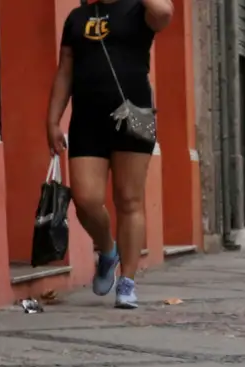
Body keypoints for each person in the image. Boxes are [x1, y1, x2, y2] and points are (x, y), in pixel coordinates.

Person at [47, 0, 175, 310]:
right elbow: (65, 71)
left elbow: (164, 13)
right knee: (85, 198)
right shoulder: (76, 18)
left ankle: (127, 282)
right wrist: (52, 120)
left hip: (135, 116)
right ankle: (107, 249)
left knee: (129, 199)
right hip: (87, 119)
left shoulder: (138, 11)